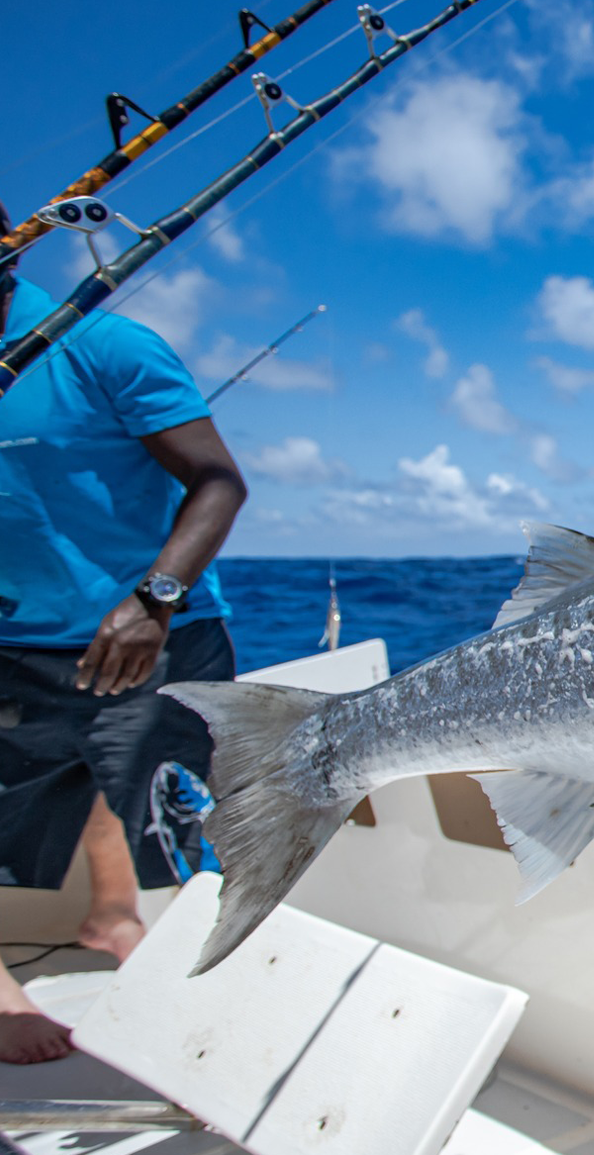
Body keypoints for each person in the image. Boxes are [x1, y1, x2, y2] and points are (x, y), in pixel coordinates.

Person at [0, 197, 247, 1064]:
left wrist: (155, 598)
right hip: (13, 643)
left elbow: (217, 481)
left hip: (153, 634)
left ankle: (145, 950)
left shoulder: (104, 346)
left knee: (171, 828)